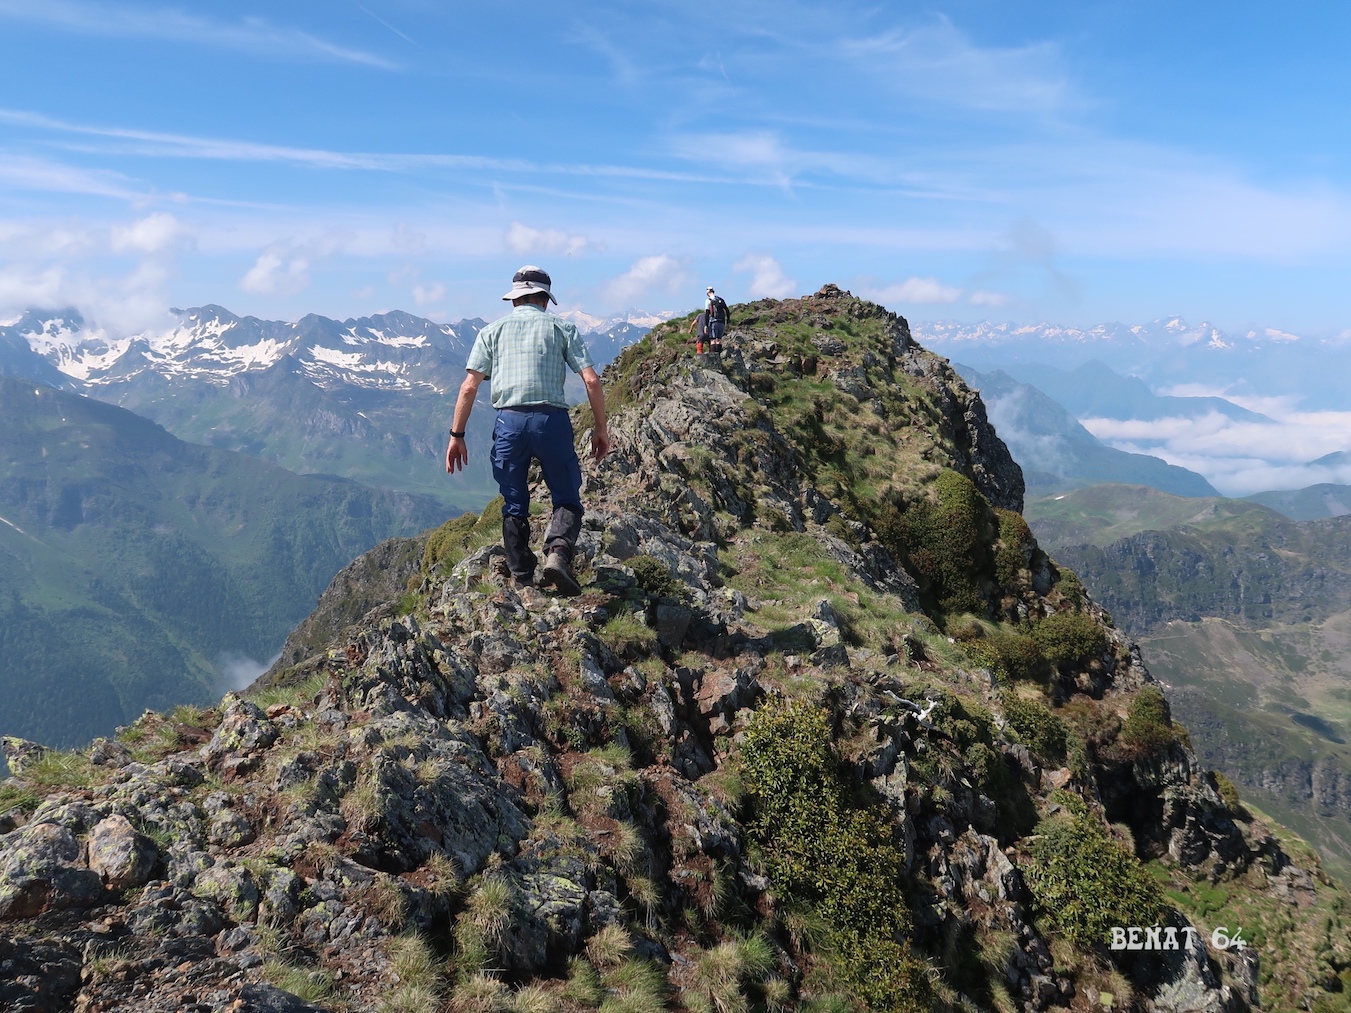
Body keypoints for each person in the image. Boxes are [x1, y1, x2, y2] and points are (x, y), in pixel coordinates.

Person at [445, 265, 610, 595]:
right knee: (566, 495)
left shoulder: (491, 332)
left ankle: (522, 579)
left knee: (514, 502)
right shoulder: (562, 328)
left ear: (514, 300)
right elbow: (591, 380)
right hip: (552, 422)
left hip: (509, 423)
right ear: (545, 300)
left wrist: (457, 436)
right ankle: (558, 553)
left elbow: (468, 387)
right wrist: (600, 429)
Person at [705, 286, 729, 354]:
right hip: (722, 322)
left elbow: (707, 313)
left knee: (713, 340)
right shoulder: (721, 300)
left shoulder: (708, 300)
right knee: (719, 340)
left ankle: (713, 356)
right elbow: (727, 310)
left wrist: (706, 325)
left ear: (708, 293)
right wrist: (728, 322)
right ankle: (719, 355)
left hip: (713, 322)